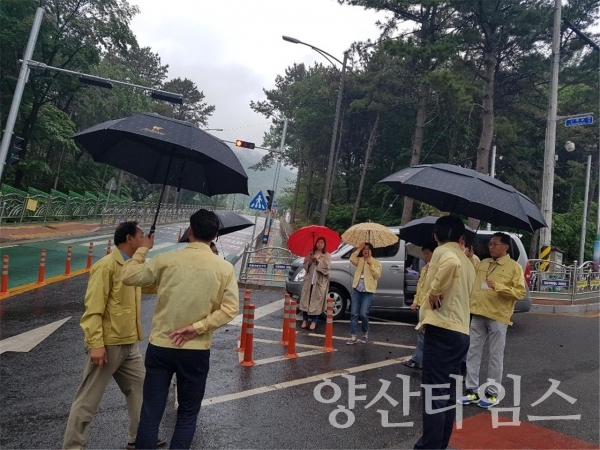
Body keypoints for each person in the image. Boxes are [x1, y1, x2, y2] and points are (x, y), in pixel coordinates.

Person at [121, 209, 239, 449]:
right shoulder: (224, 268)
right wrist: (197, 328)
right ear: (215, 235)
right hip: (195, 351)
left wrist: (143, 248)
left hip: (161, 347)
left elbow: (129, 276)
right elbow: (230, 309)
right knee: (186, 416)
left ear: (190, 231)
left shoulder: (167, 260)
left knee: (151, 413)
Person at [63, 222, 166, 450]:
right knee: (88, 399)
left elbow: (150, 284)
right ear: (129, 239)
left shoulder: (133, 267)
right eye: (141, 235)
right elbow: (93, 308)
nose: (146, 238)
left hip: (129, 344)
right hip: (108, 344)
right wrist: (96, 344)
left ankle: (138, 437)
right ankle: (73, 446)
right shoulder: (107, 267)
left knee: (140, 388)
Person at [414, 215, 475, 450]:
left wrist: (435, 290)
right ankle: (439, 445)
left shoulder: (443, 252)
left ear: (435, 236)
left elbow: (451, 264)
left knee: (433, 394)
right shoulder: (468, 261)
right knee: (447, 395)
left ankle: (428, 447)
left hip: (442, 331)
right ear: (461, 238)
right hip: (460, 333)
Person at [458, 232, 526, 409]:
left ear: (506, 246)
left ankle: (492, 393)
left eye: (495, 244)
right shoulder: (484, 263)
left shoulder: (514, 267)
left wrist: (499, 287)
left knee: (495, 355)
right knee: (473, 352)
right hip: (478, 313)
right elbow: (472, 268)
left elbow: (519, 292)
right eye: (490, 244)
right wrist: (470, 257)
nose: (491, 247)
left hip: (498, 316)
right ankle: (471, 390)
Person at [402, 241, 437, 370]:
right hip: (422, 305)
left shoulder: (437, 269)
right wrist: (416, 301)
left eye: (428, 253)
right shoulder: (424, 269)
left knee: (424, 333)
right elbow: (420, 287)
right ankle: (421, 359)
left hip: (430, 306)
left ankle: (419, 360)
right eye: (424, 254)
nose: (426, 256)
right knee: (423, 333)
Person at [347, 242, 382, 345]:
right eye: (364, 249)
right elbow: (352, 258)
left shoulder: (376, 262)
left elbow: (377, 275)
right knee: (354, 313)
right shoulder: (360, 260)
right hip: (357, 289)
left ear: (371, 251)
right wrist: (358, 248)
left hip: (368, 291)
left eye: (368, 249)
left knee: (363, 314)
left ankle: (365, 334)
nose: (366, 251)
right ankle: (353, 336)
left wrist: (371, 265)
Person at [299, 237, 331, 331]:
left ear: (324, 244)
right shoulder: (310, 253)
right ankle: (305, 320)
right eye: (318, 242)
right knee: (306, 300)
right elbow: (305, 266)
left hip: (319, 282)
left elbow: (327, 269)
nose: (319, 244)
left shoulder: (327, 255)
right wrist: (310, 260)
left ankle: (314, 321)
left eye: (322, 242)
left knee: (316, 301)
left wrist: (318, 261)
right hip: (309, 281)